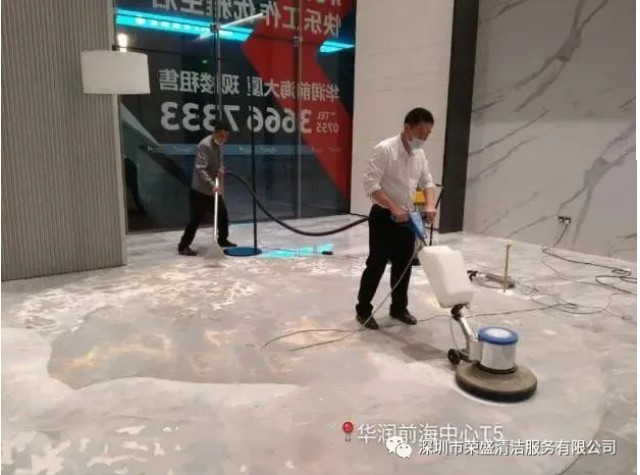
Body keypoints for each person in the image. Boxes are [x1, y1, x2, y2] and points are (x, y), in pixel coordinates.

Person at [355, 108, 438, 329]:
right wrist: (393, 207)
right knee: (376, 264)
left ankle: (399, 308)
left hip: (408, 217)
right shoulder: (385, 150)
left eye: (428, 134)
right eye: (421, 133)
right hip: (384, 217)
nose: (424, 138)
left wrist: (429, 204)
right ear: (407, 128)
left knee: (404, 264)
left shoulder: (419, 154)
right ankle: (363, 310)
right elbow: (371, 184)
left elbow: (428, 182)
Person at [178, 120, 237, 256]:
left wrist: (221, 168)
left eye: (226, 137)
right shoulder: (204, 145)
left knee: (222, 214)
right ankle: (183, 246)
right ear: (215, 133)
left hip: (213, 188)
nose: (224, 139)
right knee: (196, 218)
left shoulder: (219, 145)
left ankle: (222, 239)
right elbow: (200, 169)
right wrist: (212, 184)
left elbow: (219, 161)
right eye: (221, 136)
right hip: (200, 189)